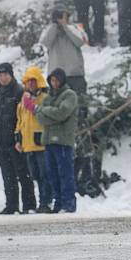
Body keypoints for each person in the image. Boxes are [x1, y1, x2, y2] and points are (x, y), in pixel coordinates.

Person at [0, 62, 36, 215]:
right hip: (1, 142)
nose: (3, 78)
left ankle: (29, 205)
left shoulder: (20, 92)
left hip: (17, 141)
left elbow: (23, 117)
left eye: (5, 74)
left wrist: (19, 138)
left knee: (23, 173)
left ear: (11, 75)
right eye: (0, 75)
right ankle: (11, 205)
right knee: (7, 175)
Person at [34, 68, 79, 213]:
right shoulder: (48, 97)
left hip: (63, 141)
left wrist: (46, 111)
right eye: (52, 80)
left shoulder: (69, 95)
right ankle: (58, 202)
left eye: (57, 80)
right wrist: (49, 113)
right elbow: (39, 117)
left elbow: (62, 113)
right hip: (48, 141)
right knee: (52, 174)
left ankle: (68, 203)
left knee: (65, 173)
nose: (54, 83)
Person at [15, 66, 53, 213]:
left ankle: (46, 202)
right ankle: (40, 202)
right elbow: (20, 122)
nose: (31, 84)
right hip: (28, 144)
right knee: (35, 175)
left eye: (33, 81)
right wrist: (18, 139)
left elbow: (47, 117)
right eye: (28, 81)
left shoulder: (45, 99)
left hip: (41, 143)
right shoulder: (22, 101)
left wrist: (33, 106)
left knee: (45, 174)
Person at [39, 5, 88, 94]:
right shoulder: (49, 30)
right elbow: (46, 42)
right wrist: (54, 25)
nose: (60, 17)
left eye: (63, 15)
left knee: (79, 104)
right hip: (56, 77)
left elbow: (80, 42)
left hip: (75, 74)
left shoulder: (75, 28)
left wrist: (65, 26)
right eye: (58, 15)